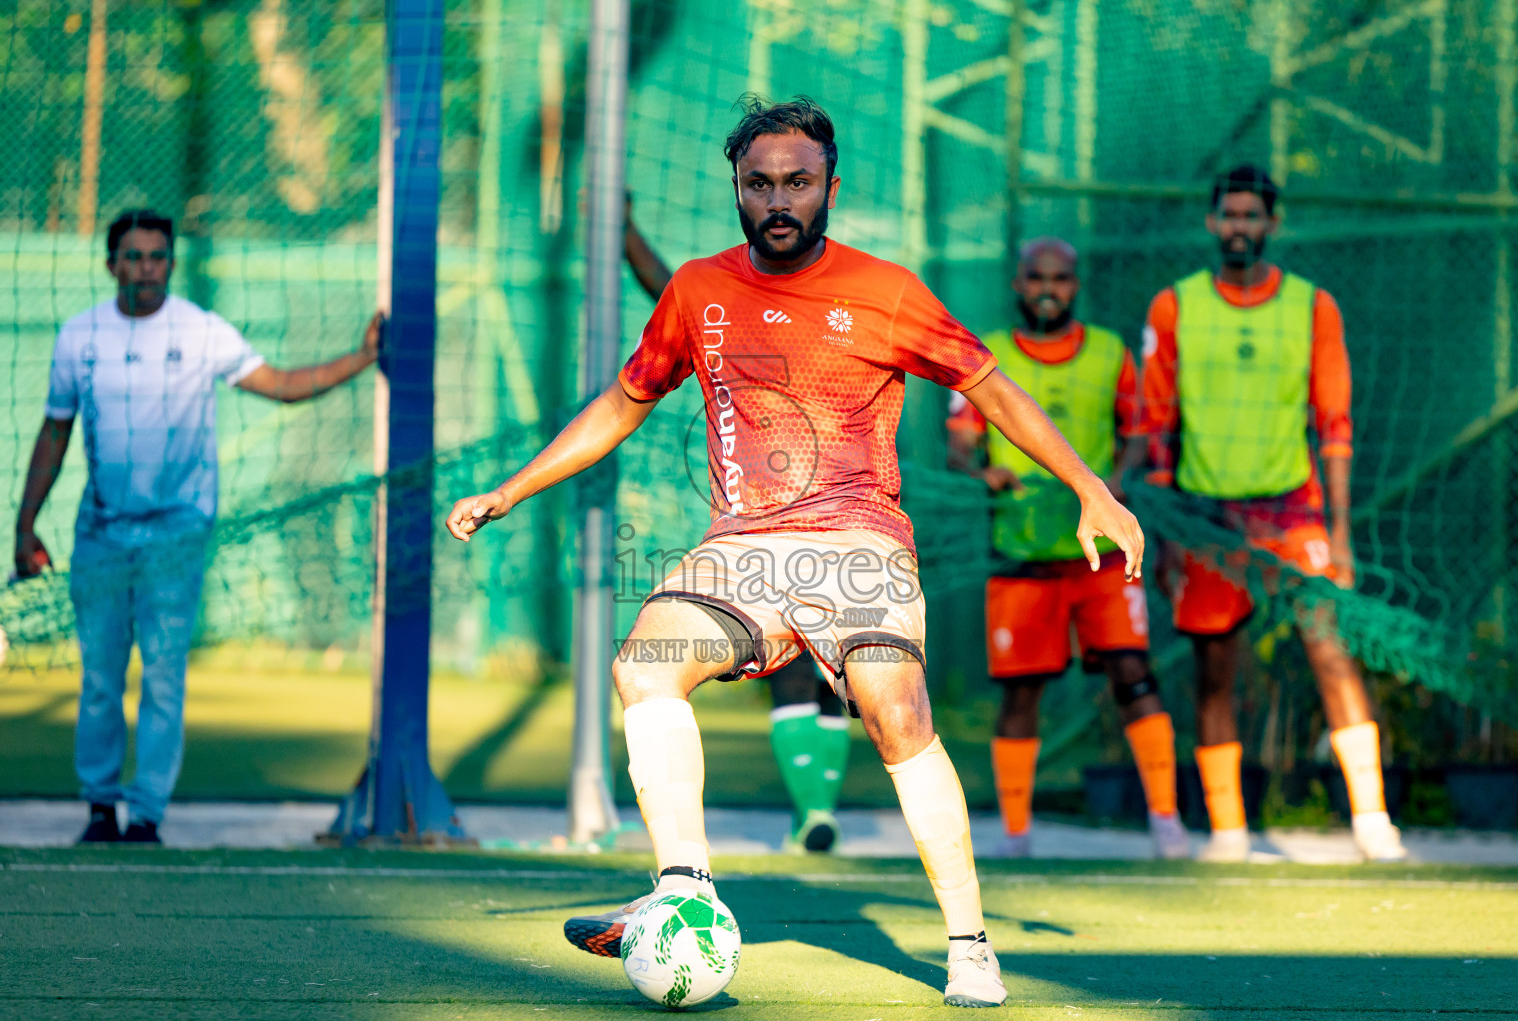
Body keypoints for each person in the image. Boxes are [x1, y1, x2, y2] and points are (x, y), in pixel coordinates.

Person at [447, 96, 1144, 1009]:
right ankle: (684, 892)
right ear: (737, 189)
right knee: (644, 666)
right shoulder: (697, 290)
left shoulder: (888, 292)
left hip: (860, 546)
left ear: (830, 189)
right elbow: (622, 403)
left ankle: (970, 944)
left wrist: (1090, 486)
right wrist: (511, 490)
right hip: (743, 549)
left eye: (798, 183)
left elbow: (994, 389)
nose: (779, 201)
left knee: (895, 711)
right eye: (760, 184)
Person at [13, 208, 381, 846]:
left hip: (176, 534)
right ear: (111, 265)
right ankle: (100, 808)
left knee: (163, 676)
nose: (146, 269)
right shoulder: (79, 336)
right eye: (133, 257)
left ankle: (146, 815)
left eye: (157, 257)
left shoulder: (202, 330)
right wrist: (25, 525)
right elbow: (54, 431)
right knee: (99, 679)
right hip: (101, 533)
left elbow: (282, 385)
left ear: (172, 264)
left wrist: (363, 358)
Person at [1140, 165, 1407, 863]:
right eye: (1229, 214)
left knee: (1331, 651)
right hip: (1205, 520)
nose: (1239, 227)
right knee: (1213, 671)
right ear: (1211, 222)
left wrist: (1340, 531)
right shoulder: (1173, 306)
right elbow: (1157, 428)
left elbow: (1335, 424)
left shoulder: (1314, 307)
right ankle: (1228, 831)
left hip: (1293, 513)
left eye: (1251, 215)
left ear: (1272, 224)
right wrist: (1166, 537)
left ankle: (1373, 820)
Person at [948, 237, 1189, 860]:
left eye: (1060, 278)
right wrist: (983, 473)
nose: (1048, 289)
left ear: (1076, 285)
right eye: (1037, 277)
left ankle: (1166, 820)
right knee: (1021, 692)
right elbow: (960, 448)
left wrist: (1118, 480)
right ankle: (1016, 832)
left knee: (1133, 674)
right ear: (1018, 284)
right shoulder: (985, 354)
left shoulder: (1111, 352)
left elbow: (1138, 433)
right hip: (1022, 553)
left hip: (1102, 556)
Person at [624, 196, 849, 855]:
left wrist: (624, 230)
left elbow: (670, 289)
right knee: (834, 674)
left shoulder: (766, 320)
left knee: (794, 671)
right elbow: (676, 293)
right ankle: (818, 811)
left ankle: (810, 813)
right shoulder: (839, 315)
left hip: (778, 531)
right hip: (851, 529)